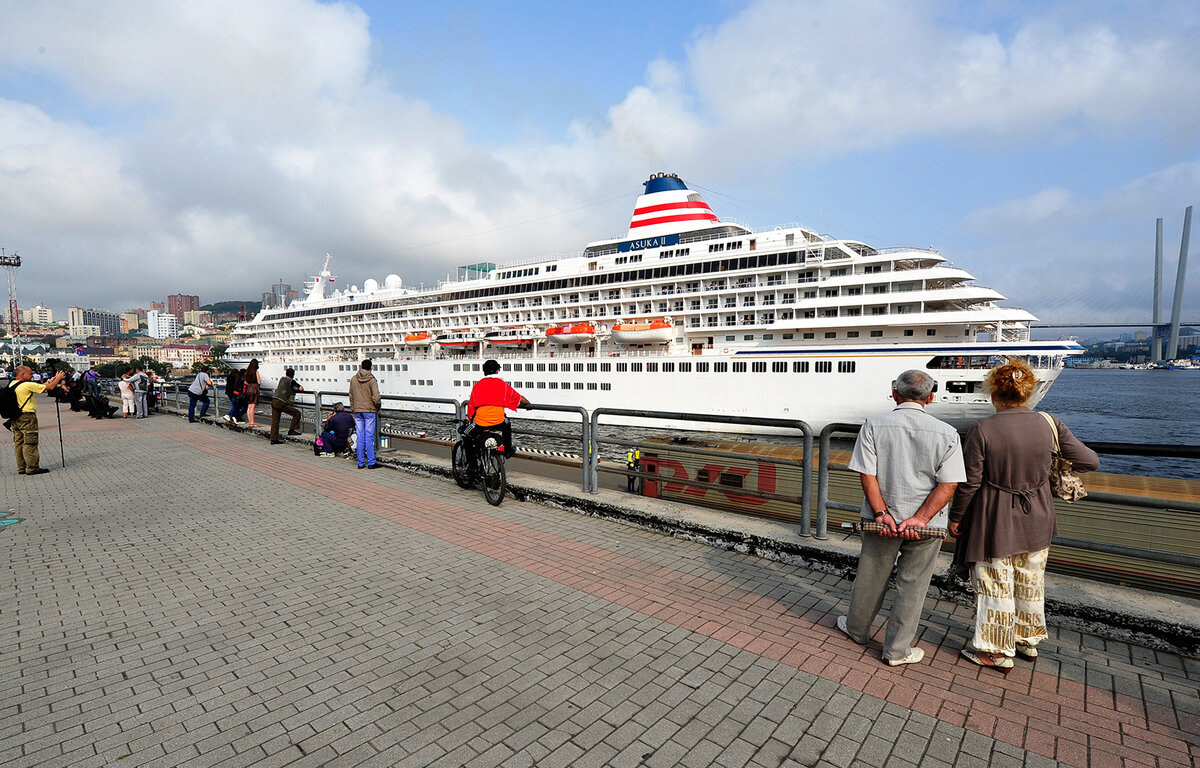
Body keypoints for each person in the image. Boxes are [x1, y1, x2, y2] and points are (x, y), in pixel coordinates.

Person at [949, 359, 1099, 669]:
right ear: (1028, 393)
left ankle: (995, 651)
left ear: (994, 394)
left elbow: (970, 483)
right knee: (1030, 578)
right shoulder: (1049, 423)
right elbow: (1090, 461)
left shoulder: (983, 428)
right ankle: (1026, 641)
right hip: (1039, 515)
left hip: (995, 516)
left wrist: (956, 517)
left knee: (995, 582)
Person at [837, 369, 965, 666]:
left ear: (895, 392)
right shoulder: (947, 434)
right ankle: (897, 651)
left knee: (871, 575)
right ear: (931, 397)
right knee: (913, 585)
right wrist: (920, 518)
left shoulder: (873, 426)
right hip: (926, 526)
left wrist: (882, 513)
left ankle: (857, 630)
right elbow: (949, 484)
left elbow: (867, 474)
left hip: (881, 520)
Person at [7, 365, 66, 475]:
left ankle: (21, 467)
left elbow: (41, 386)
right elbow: (50, 388)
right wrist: (58, 379)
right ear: (23, 374)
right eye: (30, 373)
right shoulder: (26, 385)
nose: (32, 375)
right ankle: (32, 468)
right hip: (27, 417)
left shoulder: (12, 384)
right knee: (30, 442)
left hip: (15, 417)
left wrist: (51, 380)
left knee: (19, 443)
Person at [466, 359, 530, 460]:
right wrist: (528, 404)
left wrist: (470, 419)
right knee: (507, 423)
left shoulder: (477, 386)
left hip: (480, 423)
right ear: (497, 371)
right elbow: (519, 398)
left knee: (466, 435)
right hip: (498, 422)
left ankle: (472, 467)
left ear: (484, 372)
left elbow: (471, 406)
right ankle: (508, 451)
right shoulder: (503, 385)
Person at [349, 359, 382, 468]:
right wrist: (377, 406)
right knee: (369, 437)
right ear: (371, 367)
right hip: (369, 411)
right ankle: (371, 462)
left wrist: (354, 408)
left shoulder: (354, 379)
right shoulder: (372, 380)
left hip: (358, 411)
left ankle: (360, 462)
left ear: (361, 367)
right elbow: (376, 397)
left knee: (360, 436)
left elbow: (351, 396)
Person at [269, 367, 303, 444]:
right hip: (281, 402)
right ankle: (292, 429)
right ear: (293, 375)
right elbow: (300, 388)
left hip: (274, 400)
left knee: (275, 422)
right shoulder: (291, 381)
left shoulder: (282, 379)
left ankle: (273, 439)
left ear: (286, 373)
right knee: (297, 413)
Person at [243, 359, 262, 427]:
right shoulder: (255, 371)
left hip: (249, 388)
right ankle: (252, 423)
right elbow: (259, 382)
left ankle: (250, 422)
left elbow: (245, 382)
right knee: (253, 406)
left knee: (249, 406)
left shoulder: (247, 372)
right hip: (254, 388)